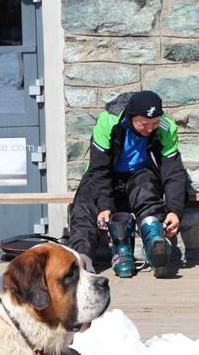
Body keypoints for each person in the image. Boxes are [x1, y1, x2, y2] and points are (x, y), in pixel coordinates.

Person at [69, 90, 187, 278]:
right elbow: (99, 170)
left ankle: (155, 244)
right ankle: (81, 262)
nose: (150, 129)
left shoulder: (166, 127)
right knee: (84, 206)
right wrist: (105, 206)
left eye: (155, 123)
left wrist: (174, 210)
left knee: (146, 190)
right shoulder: (108, 122)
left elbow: (173, 171)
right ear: (131, 117)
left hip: (141, 175)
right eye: (144, 124)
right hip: (107, 176)